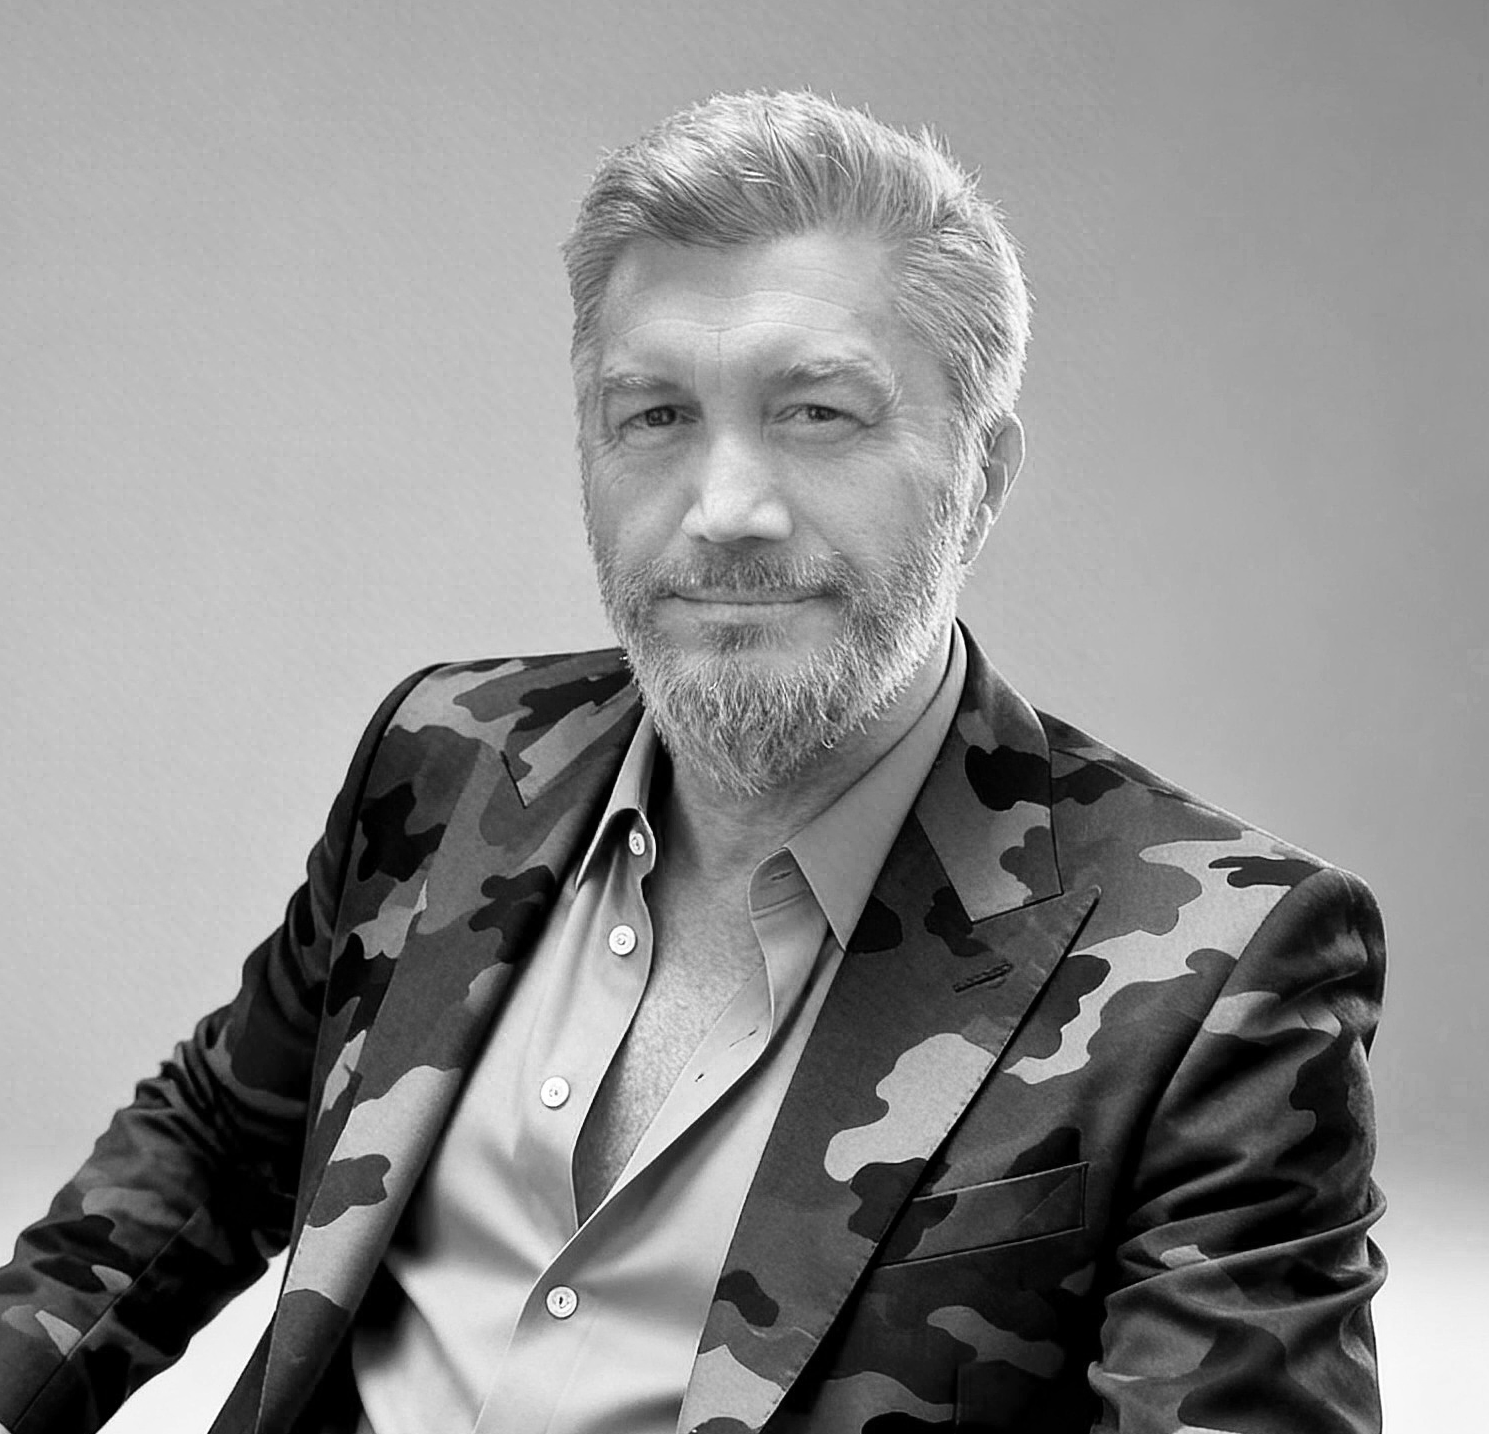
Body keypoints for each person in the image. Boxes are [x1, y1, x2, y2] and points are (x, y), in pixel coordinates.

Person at [0, 90, 1385, 1434]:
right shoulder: (448, 760)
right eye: (656, 415)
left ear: (984, 476)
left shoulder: (1211, 966)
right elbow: (210, 1148)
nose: (726, 508)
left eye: (817, 413)